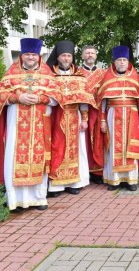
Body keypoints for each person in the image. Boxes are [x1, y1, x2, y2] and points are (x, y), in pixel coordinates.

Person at [0, 38, 61, 211]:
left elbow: (58, 98)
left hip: (41, 124)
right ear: (22, 55)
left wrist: (41, 98)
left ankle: (39, 198)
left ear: (38, 55)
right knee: (14, 157)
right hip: (16, 124)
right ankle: (15, 200)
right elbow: (0, 95)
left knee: (40, 158)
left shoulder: (47, 73)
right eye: (27, 54)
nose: (30, 57)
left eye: (33, 54)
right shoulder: (12, 72)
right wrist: (17, 97)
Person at [95, 45, 139, 191]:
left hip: (132, 116)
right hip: (112, 115)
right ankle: (114, 181)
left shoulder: (134, 77)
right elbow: (102, 102)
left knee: (130, 147)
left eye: (124, 60)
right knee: (113, 147)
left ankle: (130, 180)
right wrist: (102, 120)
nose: (122, 62)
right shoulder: (107, 78)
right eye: (119, 60)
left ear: (128, 62)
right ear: (114, 62)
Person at [46, 40, 96, 197]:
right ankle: (55, 186)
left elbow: (84, 100)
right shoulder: (50, 74)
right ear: (58, 57)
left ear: (72, 57)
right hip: (56, 118)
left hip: (75, 116)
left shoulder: (79, 76)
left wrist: (85, 119)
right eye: (63, 56)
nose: (66, 58)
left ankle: (74, 183)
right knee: (55, 148)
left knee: (75, 150)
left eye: (69, 55)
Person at [79, 45, 106, 184]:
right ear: (82, 56)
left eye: (92, 53)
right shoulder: (77, 73)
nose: (90, 55)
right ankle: (84, 170)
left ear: (96, 56)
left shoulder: (103, 73)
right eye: (87, 53)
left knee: (98, 141)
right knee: (84, 142)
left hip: (99, 111)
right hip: (82, 111)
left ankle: (97, 172)